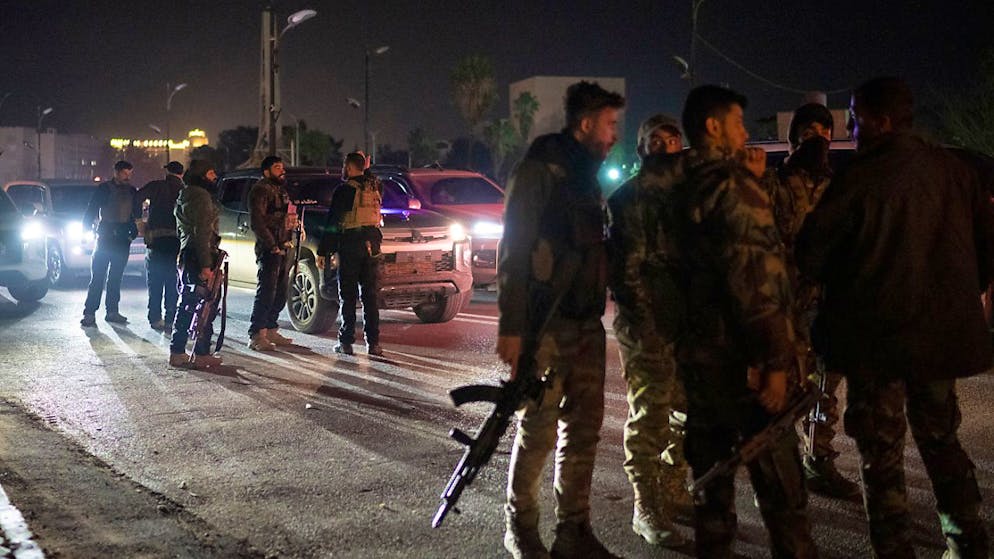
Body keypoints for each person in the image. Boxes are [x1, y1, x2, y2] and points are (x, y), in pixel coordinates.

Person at [796, 77, 991, 559]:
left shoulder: (860, 177)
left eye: (856, 118)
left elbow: (812, 253)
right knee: (943, 445)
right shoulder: (955, 171)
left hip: (876, 345)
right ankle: (968, 544)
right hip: (939, 341)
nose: (851, 128)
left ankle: (896, 549)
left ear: (880, 121)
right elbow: (987, 252)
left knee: (881, 459)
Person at [670, 85, 817, 558]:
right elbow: (759, 283)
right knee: (784, 500)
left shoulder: (673, 187)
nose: (744, 132)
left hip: (699, 367)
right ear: (713, 127)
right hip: (747, 372)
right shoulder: (735, 188)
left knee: (713, 499)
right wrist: (775, 362)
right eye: (736, 122)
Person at [497, 81, 624, 559]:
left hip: (588, 324)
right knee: (539, 429)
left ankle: (574, 530)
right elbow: (514, 248)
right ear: (586, 123)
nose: (614, 135)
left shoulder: (587, 175)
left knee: (584, 430)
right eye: (610, 125)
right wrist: (512, 327)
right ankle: (521, 527)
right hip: (546, 325)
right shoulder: (540, 169)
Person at [762, 104, 860, 500]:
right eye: (807, 129)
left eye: (824, 129)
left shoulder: (838, 187)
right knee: (784, 391)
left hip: (828, 305)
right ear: (794, 136)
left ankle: (817, 461)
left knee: (824, 388)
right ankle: (776, 470)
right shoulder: (773, 184)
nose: (816, 135)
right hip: (786, 308)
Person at [605, 113, 688, 548]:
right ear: (642, 149)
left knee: (689, 410)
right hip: (646, 324)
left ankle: (675, 486)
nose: (666, 148)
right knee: (651, 413)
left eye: (673, 141)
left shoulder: (691, 196)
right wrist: (646, 325)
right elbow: (626, 273)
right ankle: (646, 504)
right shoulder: (626, 199)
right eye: (656, 141)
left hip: (687, 320)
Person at [316, 152, 384, 356]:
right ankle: (374, 343)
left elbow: (333, 222)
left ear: (349, 167)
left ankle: (346, 341)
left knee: (347, 295)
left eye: (345, 165)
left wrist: (324, 251)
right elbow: (369, 178)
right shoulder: (376, 187)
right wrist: (367, 168)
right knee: (370, 296)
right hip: (372, 244)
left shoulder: (344, 190)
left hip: (350, 245)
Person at [169, 160, 223, 369]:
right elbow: (202, 233)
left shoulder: (186, 194)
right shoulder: (200, 196)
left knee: (190, 302)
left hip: (188, 252)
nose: (214, 177)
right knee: (202, 304)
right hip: (198, 254)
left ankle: (183, 350)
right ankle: (191, 352)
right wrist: (206, 265)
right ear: (202, 175)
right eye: (211, 173)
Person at [80, 160, 139, 327]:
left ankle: (112, 311)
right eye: (125, 173)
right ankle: (90, 313)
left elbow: (136, 215)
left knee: (115, 278)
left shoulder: (132, 191)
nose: (128, 177)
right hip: (105, 238)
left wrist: (131, 235)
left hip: (122, 239)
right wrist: (86, 228)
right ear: (116, 172)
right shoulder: (104, 189)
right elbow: (92, 208)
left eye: (130, 173)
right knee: (98, 277)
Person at [247, 156, 295, 351]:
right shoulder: (260, 190)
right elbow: (258, 221)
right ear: (266, 171)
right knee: (266, 291)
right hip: (270, 248)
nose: (281, 170)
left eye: (282, 166)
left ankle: (271, 327)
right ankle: (256, 334)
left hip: (284, 246)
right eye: (277, 167)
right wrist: (272, 244)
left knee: (281, 291)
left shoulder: (281, 190)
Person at [137, 161, 184, 331]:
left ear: (167, 172)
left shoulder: (156, 186)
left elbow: (137, 198)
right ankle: (171, 318)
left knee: (155, 282)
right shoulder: (184, 190)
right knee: (173, 282)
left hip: (155, 242)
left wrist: (139, 222)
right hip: (176, 243)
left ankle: (155, 318)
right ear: (181, 174)